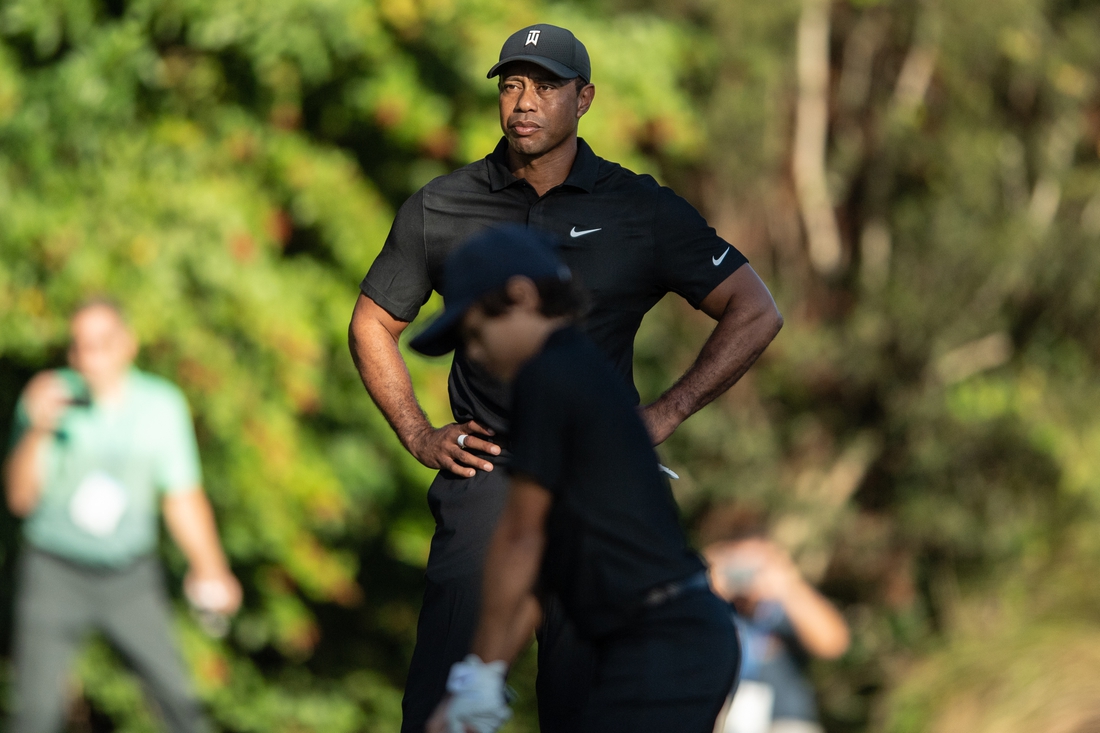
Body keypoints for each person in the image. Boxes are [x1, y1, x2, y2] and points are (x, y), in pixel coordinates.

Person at [347, 23, 783, 733]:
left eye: (545, 85)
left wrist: (666, 413)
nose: (523, 101)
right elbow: (371, 322)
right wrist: (421, 434)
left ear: (584, 99)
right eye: (512, 84)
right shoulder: (443, 204)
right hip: (487, 475)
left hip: (663, 646)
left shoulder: (635, 213)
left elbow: (755, 308)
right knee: (441, 701)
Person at [414, 226, 740, 733]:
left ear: (520, 295)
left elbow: (520, 536)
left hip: (664, 642)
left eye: (476, 332)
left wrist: (473, 685)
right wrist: (484, 680)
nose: (474, 354)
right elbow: (537, 569)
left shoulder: (549, 377)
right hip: (671, 641)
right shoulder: (574, 373)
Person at [3, 300, 242, 733]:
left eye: (101, 345)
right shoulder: (49, 396)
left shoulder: (161, 405)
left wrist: (211, 569)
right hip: (53, 572)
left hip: (129, 577)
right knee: (33, 716)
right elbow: (19, 500)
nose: (90, 358)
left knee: (180, 704)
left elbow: (181, 497)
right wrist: (37, 430)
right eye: (79, 347)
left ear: (126, 345)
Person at [705, 534, 850, 733]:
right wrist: (704, 586)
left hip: (786, 721)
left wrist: (788, 584)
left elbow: (834, 644)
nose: (744, 576)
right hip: (719, 721)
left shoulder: (782, 609)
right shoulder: (711, 611)